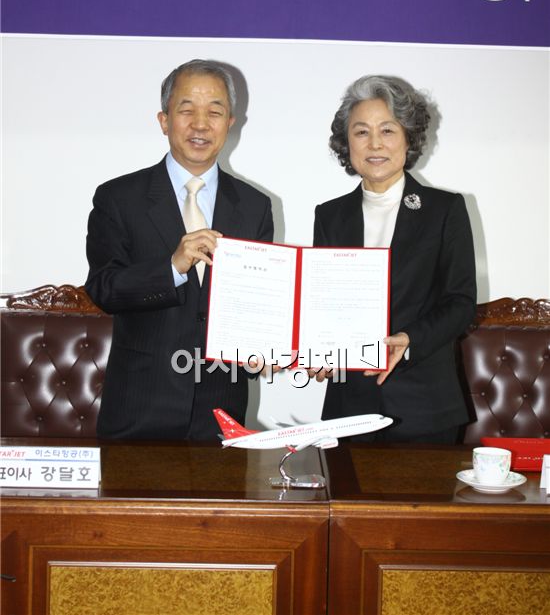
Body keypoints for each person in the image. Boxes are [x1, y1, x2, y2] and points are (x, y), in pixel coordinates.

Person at [85, 59, 274, 440]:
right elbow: (104, 289)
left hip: (222, 413)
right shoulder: (118, 197)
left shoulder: (255, 205)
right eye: (187, 110)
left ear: (230, 123)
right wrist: (172, 267)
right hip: (138, 411)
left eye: (214, 112)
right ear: (164, 120)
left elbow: (260, 303)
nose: (200, 124)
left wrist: (268, 344)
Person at [312, 75, 476, 443]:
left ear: (408, 137)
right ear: (346, 142)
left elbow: (460, 303)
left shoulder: (445, 210)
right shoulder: (329, 215)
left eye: (387, 130)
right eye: (361, 132)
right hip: (348, 407)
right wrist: (315, 349)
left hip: (425, 406)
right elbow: (323, 303)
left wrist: (409, 340)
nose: (375, 144)